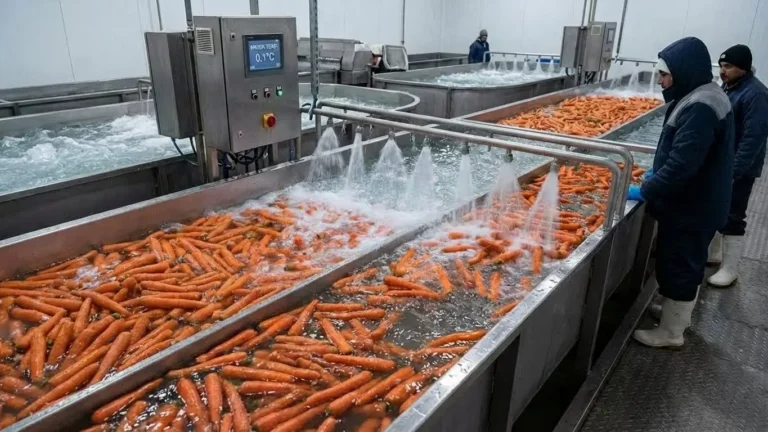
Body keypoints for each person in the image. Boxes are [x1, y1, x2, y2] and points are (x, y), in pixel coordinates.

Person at [627, 37, 735, 348]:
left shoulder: (700, 106)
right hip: (697, 201)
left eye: (664, 75)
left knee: (681, 263)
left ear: (682, 71)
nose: (660, 82)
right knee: (683, 261)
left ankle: (671, 333)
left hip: (693, 206)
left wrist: (646, 188)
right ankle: (676, 310)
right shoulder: (700, 94)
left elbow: (682, 166)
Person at [707, 44, 768, 287]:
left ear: (743, 67)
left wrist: (733, 172)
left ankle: (730, 269)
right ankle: (715, 254)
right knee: (720, 207)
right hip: (726, 163)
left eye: (728, 66)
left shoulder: (756, 94)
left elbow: (753, 138)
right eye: (721, 66)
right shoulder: (732, 86)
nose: (723, 71)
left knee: (734, 213)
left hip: (741, 166)